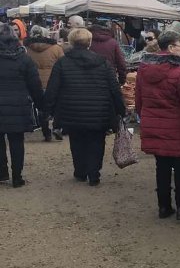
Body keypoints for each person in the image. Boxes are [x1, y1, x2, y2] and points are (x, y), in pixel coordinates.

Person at [44, 27, 126, 186]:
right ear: (89, 42)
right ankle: (94, 173)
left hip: (71, 110)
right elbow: (114, 88)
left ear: (71, 42)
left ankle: (80, 171)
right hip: (99, 110)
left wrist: (48, 110)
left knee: (76, 141)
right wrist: (120, 109)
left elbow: (53, 88)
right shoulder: (103, 62)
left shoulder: (62, 63)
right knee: (97, 141)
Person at [135, 30, 180, 222]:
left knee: (161, 166)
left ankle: (163, 206)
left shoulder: (144, 69)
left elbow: (139, 100)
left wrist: (146, 118)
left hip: (154, 124)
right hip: (179, 127)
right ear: (171, 48)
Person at [0, 24, 45, 187]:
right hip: (18, 105)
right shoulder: (24, 58)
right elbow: (35, 85)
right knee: (17, 141)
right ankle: (17, 177)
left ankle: (2, 173)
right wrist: (41, 105)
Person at [24, 23, 65, 141]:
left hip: (34, 82)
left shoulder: (27, 49)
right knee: (56, 105)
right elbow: (63, 64)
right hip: (53, 81)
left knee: (41, 107)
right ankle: (57, 127)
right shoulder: (56, 48)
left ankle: (46, 132)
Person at [88, 20, 128, 86]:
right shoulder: (113, 42)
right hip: (109, 78)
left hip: (90, 79)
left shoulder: (86, 41)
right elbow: (121, 63)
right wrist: (122, 80)